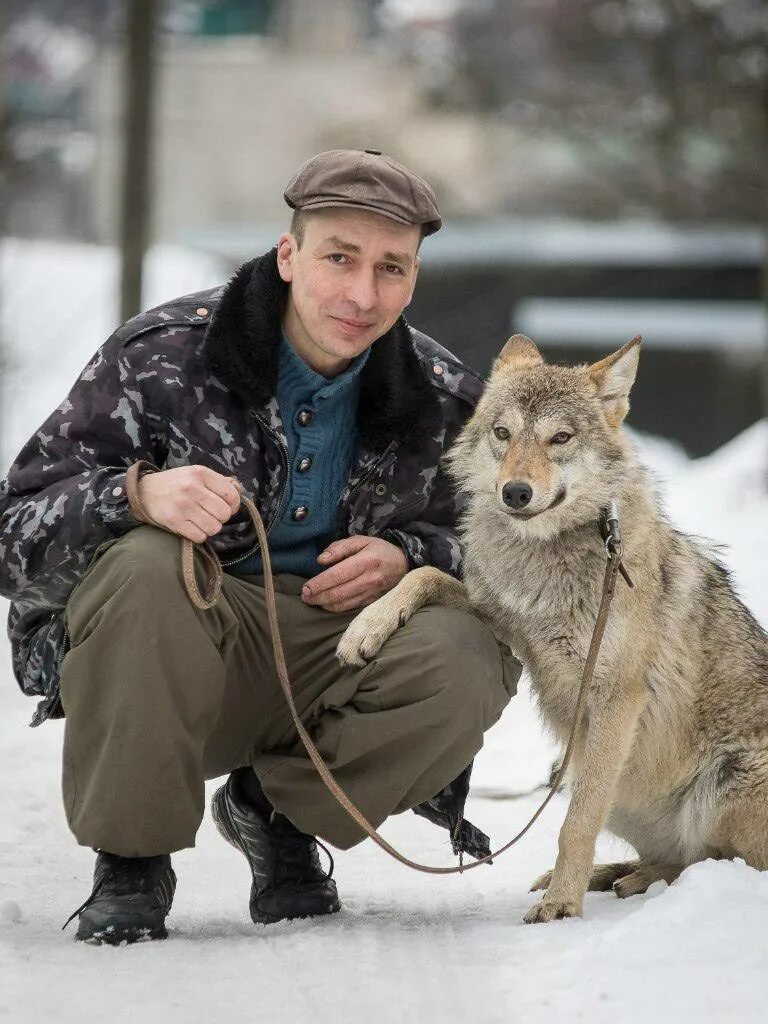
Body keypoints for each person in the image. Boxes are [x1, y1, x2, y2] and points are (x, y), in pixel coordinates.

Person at [0, 149, 521, 944]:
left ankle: (274, 810)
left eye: (392, 268)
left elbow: (514, 559)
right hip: (177, 651)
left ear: (415, 278)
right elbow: (13, 535)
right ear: (288, 255)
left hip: (334, 654)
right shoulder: (164, 355)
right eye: (338, 259)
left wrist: (414, 557)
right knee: (146, 565)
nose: (361, 294)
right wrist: (134, 495)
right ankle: (133, 860)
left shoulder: (444, 399)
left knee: (467, 643)